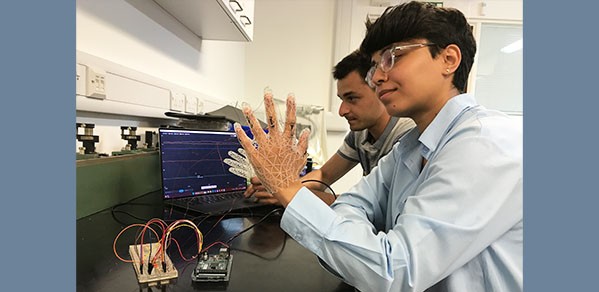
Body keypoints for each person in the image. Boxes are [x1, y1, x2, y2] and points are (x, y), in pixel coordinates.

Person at [234, 2, 522, 292]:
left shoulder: (485, 145)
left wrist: (288, 189)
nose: (378, 77)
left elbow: (394, 271)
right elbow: (351, 205)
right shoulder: (409, 147)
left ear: (448, 59)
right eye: (374, 67)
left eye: (392, 57)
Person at [244, 50, 415, 205]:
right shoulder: (361, 133)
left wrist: (290, 193)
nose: (342, 111)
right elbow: (324, 175)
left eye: (352, 98)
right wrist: (279, 184)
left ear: (379, 88)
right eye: (342, 99)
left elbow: (374, 207)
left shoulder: (406, 137)